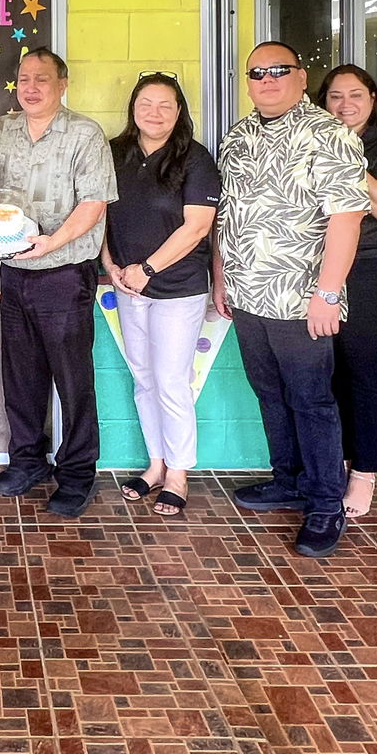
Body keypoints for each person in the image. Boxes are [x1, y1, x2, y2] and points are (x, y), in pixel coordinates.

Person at [213, 41, 368, 559]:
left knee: (312, 400)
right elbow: (226, 216)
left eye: (280, 70)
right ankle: (289, 480)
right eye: (257, 73)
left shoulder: (329, 134)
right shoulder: (237, 137)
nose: (268, 80)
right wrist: (222, 277)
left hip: (302, 299)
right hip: (247, 294)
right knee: (270, 393)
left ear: (302, 78)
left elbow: (346, 219)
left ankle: (325, 503)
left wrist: (328, 292)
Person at [0, 47, 117, 518]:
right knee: (21, 376)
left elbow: (94, 204)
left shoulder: (85, 134)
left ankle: (77, 473)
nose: (31, 87)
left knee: (73, 379)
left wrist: (51, 242)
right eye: (24, 79)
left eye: (42, 78)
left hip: (64, 273)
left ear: (63, 84)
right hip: (14, 272)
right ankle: (27, 461)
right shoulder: (0, 131)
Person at [102, 72, 220, 517]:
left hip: (177, 289)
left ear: (179, 111)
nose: (154, 113)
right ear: (133, 108)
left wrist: (147, 269)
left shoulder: (195, 158)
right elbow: (98, 213)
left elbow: (197, 227)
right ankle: (155, 465)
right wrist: (111, 265)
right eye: (145, 104)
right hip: (127, 285)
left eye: (165, 105)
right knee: (144, 379)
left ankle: (178, 474)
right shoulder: (115, 153)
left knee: (171, 382)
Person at [316, 66, 377, 518]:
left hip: (369, 269)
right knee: (324, 370)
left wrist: (351, 161)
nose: (345, 105)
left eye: (355, 95)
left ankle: (365, 470)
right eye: (335, 96)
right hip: (313, 268)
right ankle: (334, 461)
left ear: (373, 99)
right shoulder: (311, 142)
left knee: (364, 368)